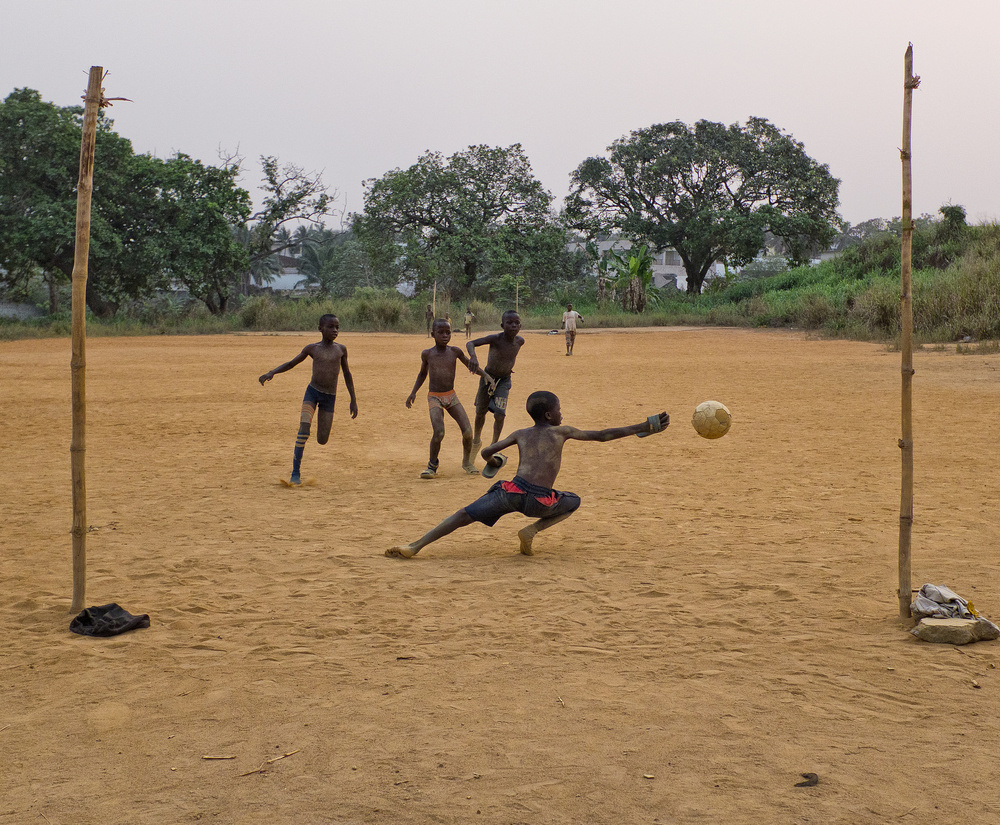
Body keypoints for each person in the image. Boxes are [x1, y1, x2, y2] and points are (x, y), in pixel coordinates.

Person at [386, 391, 668, 558]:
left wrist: (495, 461)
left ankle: (416, 545)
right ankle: (532, 530)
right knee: (574, 501)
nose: (561, 413)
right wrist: (643, 426)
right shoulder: (562, 431)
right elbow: (603, 436)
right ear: (548, 415)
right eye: (558, 410)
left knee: (464, 515)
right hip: (541, 502)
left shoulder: (521, 433)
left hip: (512, 493)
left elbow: (487, 452)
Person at [259, 314, 358, 486]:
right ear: (320, 329)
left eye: (337, 327)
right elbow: (291, 363)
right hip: (312, 393)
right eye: (331, 327)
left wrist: (353, 399)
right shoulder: (312, 349)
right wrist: (272, 372)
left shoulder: (341, 350)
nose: (335, 330)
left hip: (329, 397)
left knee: (322, 439)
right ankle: (295, 472)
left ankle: (298, 467)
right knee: (304, 429)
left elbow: (347, 375)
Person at [406, 318, 496, 479]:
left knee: (468, 431)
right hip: (434, 397)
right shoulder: (427, 354)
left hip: (451, 396)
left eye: (448, 332)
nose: (445, 335)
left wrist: (486, 376)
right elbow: (422, 374)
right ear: (433, 334)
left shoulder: (455, 352)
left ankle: (467, 462)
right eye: (441, 332)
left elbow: (471, 365)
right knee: (439, 432)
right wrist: (413, 392)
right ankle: (432, 466)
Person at [466, 309, 525, 453]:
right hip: (487, 378)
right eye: (509, 323)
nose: (513, 326)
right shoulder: (495, 339)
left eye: (517, 323)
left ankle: (494, 445)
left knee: (500, 413)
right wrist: (473, 357)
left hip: (504, 380)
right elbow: (470, 343)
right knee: (480, 412)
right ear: (502, 325)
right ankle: (476, 440)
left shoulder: (520, 341)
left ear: (520, 326)